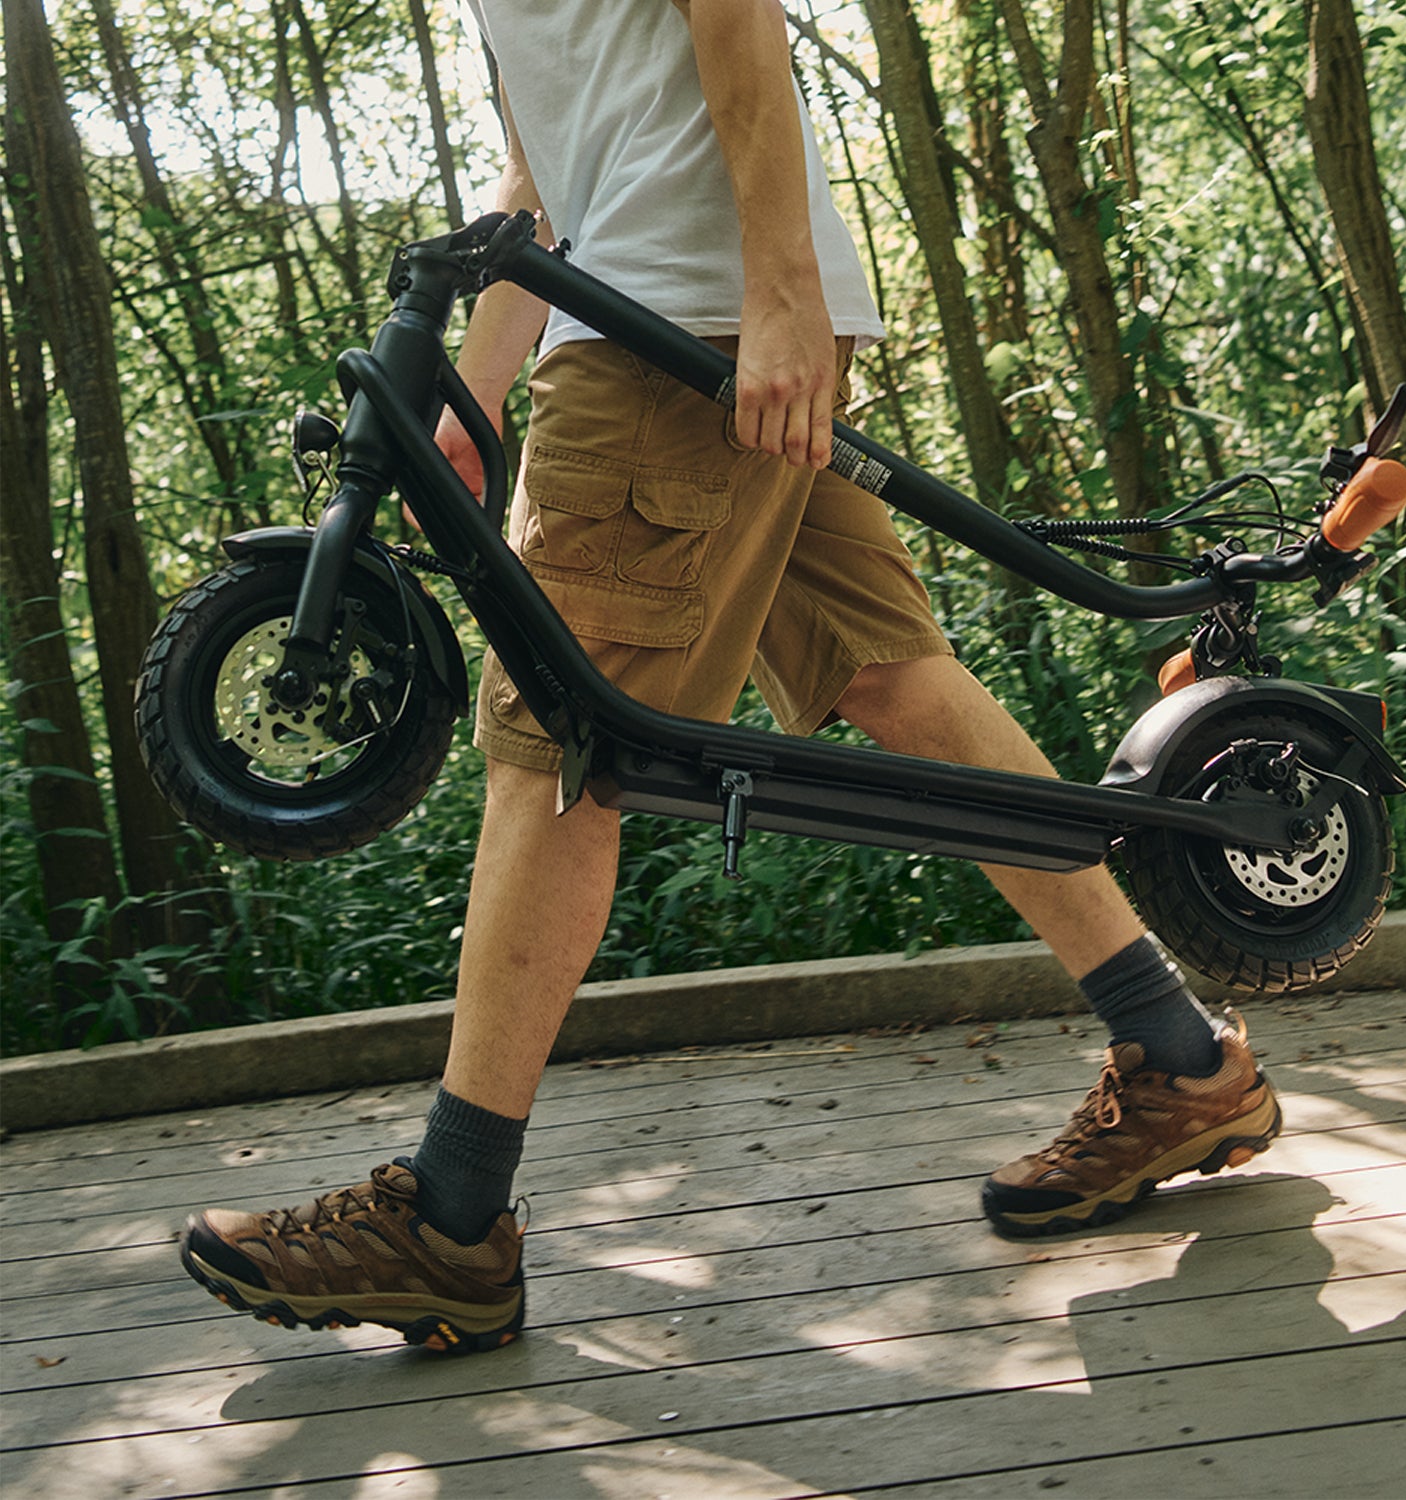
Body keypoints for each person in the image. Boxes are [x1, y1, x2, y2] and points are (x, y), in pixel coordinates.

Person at [178, 0, 1281, 1354]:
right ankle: (1182, 1063)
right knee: (893, 681)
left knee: (557, 740)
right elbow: (548, 171)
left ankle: (450, 1220)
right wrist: (468, 391)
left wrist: (778, 295)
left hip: (686, 326)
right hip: (689, 313)